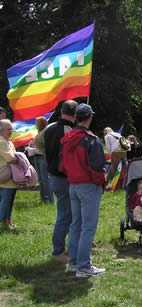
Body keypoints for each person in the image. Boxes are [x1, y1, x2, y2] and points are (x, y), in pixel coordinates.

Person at [61, 103, 106, 277]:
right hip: (88, 185)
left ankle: (73, 263)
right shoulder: (89, 138)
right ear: (89, 118)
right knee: (88, 227)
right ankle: (84, 267)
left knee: (76, 225)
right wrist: (102, 180)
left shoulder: (68, 136)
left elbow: (63, 163)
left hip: (73, 184)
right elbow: (97, 166)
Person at [44, 100, 77, 262]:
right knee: (65, 214)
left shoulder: (49, 128)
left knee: (67, 213)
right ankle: (58, 251)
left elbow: (39, 145)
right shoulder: (69, 130)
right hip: (64, 177)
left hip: (53, 175)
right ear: (75, 114)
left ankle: (73, 245)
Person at [26, 117, 53, 203]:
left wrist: (33, 149)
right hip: (37, 157)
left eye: (37, 123)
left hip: (43, 157)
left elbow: (45, 146)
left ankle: (49, 199)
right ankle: (43, 198)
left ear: (41, 123)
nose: (35, 124)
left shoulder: (45, 132)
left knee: (45, 179)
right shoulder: (39, 133)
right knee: (41, 179)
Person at [0, 119, 17, 231]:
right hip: (5, 178)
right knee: (5, 203)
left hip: (10, 178)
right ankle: (3, 223)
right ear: (1, 130)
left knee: (9, 202)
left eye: (11, 128)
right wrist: (19, 158)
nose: (11, 131)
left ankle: (7, 223)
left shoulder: (8, 141)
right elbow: (11, 158)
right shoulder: (1, 142)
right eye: (9, 129)